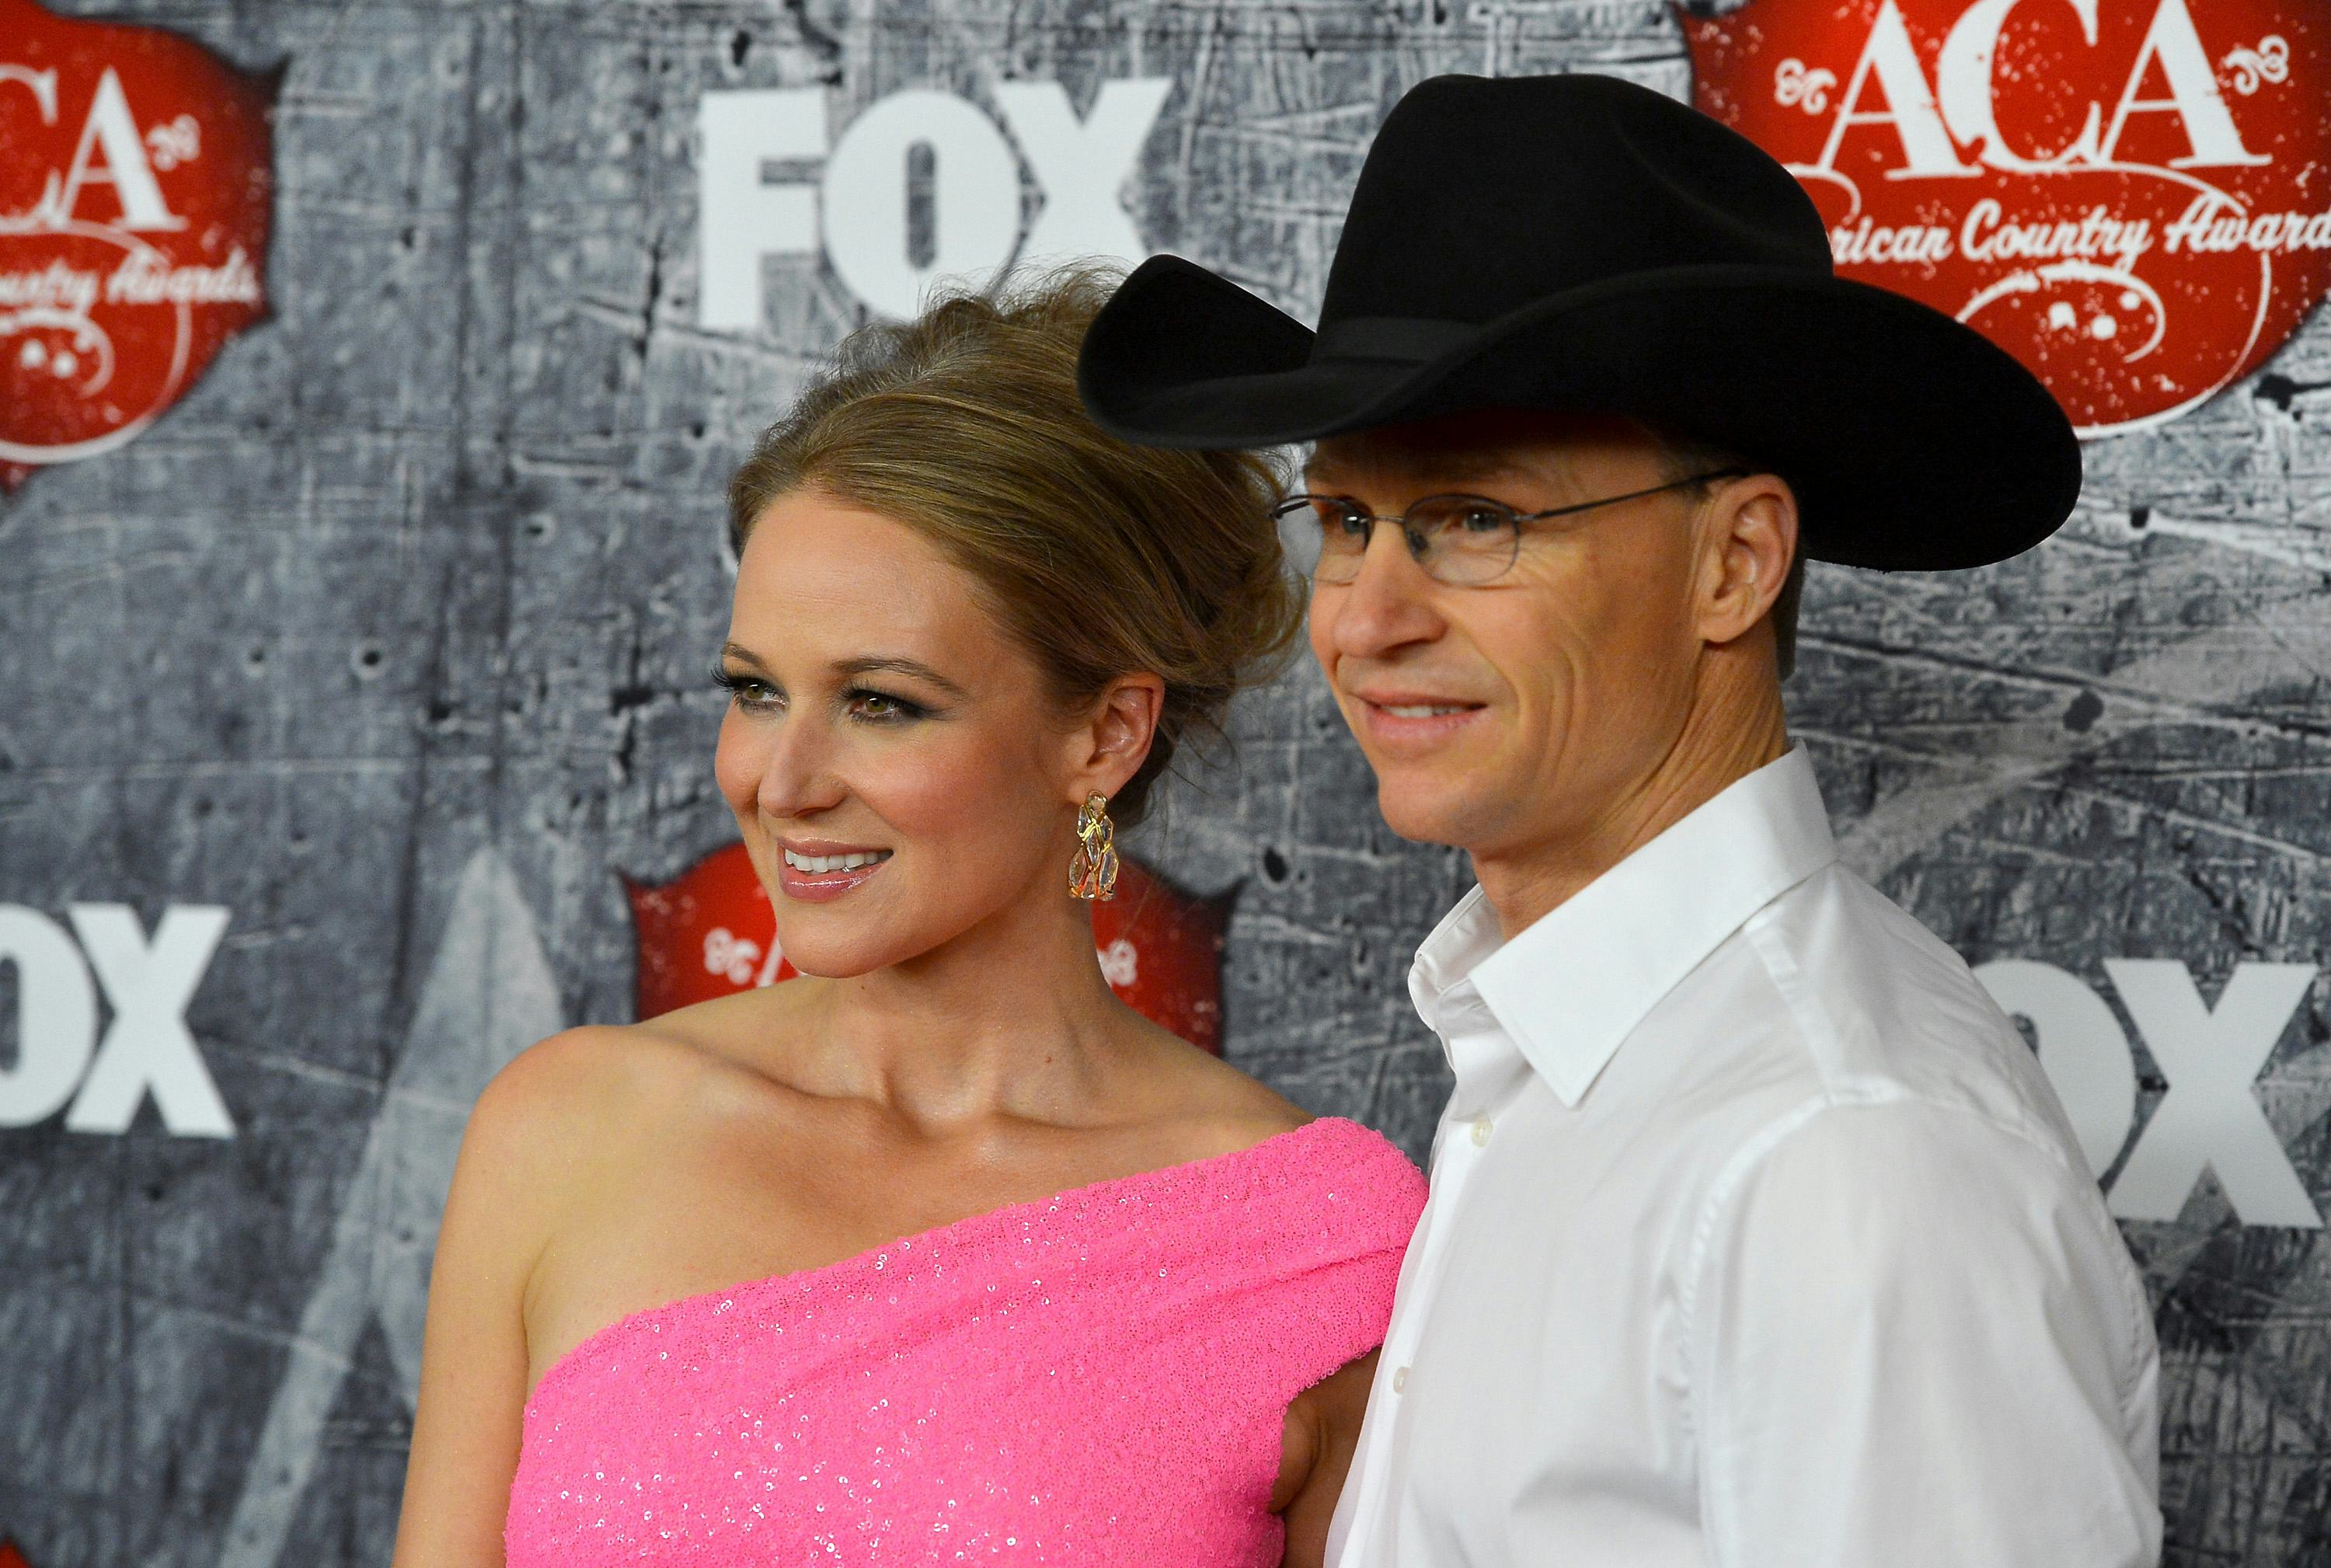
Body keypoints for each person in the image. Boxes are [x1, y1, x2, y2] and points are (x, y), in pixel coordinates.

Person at [1079, 73, 2161, 1567]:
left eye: (1477, 519)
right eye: (1345, 520)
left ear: (1735, 564)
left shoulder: (1843, 1160)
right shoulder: (1583, 1059)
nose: (1366, 619)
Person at [390, 268, 1427, 1568]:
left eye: (880, 703)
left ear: (1104, 734)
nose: (782, 782)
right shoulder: (566, 1129)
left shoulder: (1317, 1244)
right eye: (756, 691)